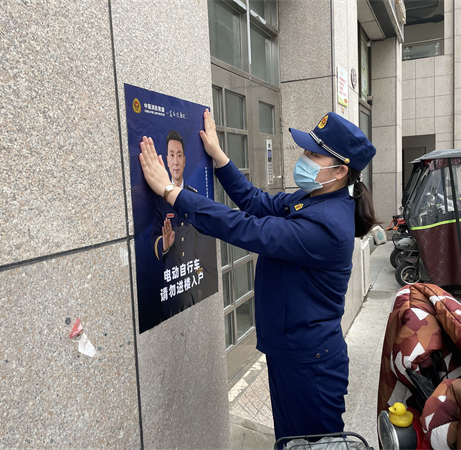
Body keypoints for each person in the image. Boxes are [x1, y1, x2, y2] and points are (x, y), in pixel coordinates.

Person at [139, 110, 378, 440]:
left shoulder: (328, 225)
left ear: (340, 171)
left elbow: (248, 229)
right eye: (306, 151)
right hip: (292, 353)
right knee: (289, 442)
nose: (304, 159)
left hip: (311, 367)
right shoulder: (312, 198)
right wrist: (220, 158)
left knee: (310, 445)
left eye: (314, 155)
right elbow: (256, 202)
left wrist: (171, 192)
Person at [151, 130, 216, 318]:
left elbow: (203, 242)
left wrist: (202, 280)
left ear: (185, 160)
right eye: (171, 155)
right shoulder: (159, 200)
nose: (175, 161)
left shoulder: (193, 195)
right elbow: (152, 237)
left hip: (194, 281)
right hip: (173, 285)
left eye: (179, 155)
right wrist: (164, 245)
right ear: (167, 160)